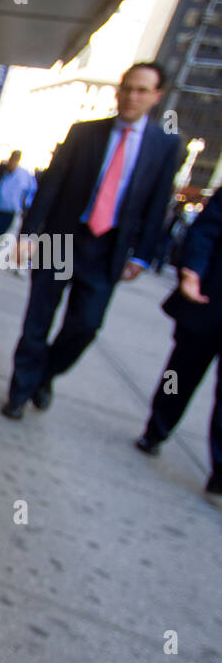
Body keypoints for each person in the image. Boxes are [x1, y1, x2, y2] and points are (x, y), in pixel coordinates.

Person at [0, 63, 182, 419]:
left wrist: (142, 255)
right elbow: (51, 186)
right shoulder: (84, 133)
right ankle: (19, 392)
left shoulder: (166, 146)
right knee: (37, 320)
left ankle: (46, 373)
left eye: (142, 90)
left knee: (85, 326)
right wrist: (29, 235)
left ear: (156, 96)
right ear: (118, 90)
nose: (132, 96)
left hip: (108, 248)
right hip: (61, 239)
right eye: (127, 87)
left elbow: (158, 202)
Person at [135, 191, 222, 505]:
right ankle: (156, 427)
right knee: (178, 374)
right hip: (208, 300)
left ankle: (220, 470)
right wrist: (192, 271)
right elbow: (206, 229)